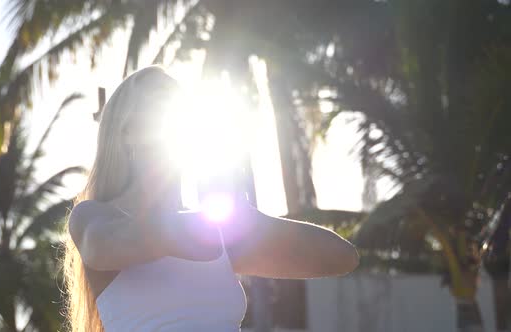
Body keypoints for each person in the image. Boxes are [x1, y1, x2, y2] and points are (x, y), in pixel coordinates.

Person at [61, 66, 359, 332]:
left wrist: (247, 220)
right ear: (126, 133)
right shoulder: (94, 216)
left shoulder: (215, 230)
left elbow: (341, 257)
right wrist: (208, 223)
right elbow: (103, 246)